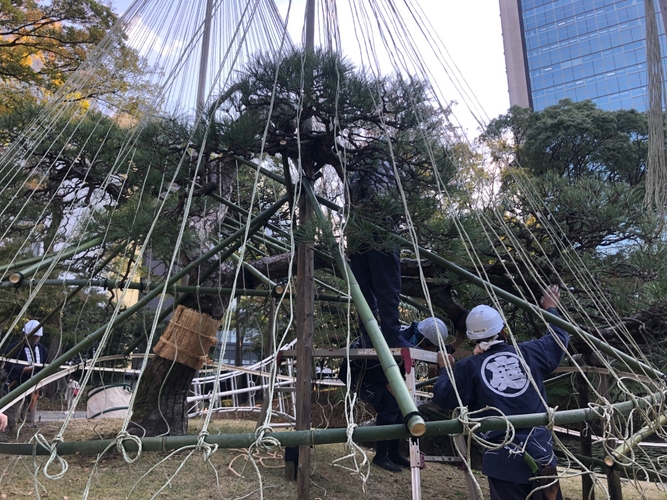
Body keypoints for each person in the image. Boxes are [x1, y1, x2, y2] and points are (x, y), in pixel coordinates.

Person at [433, 286, 568, 500]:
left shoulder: (468, 367)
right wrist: (550, 309)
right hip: (542, 453)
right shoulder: (530, 352)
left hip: (502, 459)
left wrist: (445, 371)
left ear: (471, 339)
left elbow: (444, 397)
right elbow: (559, 337)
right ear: (503, 331)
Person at [341, 316, 450, 472]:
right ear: (424, 341)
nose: (433, 351)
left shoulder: (411, 335)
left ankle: (394, 453)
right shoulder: (396, 338)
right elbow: (373, 360)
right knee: (390, 406)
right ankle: (381, 456)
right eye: (432, 347)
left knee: (401, 408)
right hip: (359, 373)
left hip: (379, 372)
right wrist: (388, 383)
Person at [347, 152, 408, 348]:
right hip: (381, 226)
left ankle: (369, 336)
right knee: (386, 286)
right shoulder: (388, 158)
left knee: (363, 287)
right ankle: (390, 335)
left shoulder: (354, 163)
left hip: (356, 228)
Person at [5, 319, 48, 426]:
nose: (36, 339)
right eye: (33, 337)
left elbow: (45, 364)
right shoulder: (14, 348)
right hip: (17, 386)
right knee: (14, 412)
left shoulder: (42, 349)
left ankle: (28, 426)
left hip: (34, 387)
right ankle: (12, 427)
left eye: (38, 337)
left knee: (30, 414)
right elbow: (9, 366)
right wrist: (24, 369)